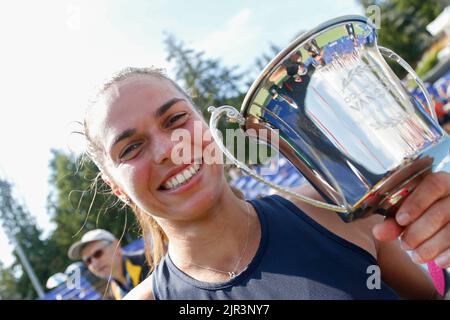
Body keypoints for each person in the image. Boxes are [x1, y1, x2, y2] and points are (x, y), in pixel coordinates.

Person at [81, 67, 450, 300]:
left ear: (210, 128)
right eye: (131, 148)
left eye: (176, 119)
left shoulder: (334, 211)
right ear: (116, 186)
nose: (167, 150)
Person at [68, 229, 150, 299]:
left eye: (98, 253)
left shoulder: (150, 262)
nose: (94, 263)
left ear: (116, 245)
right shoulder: (114, 290)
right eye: (88, 260)